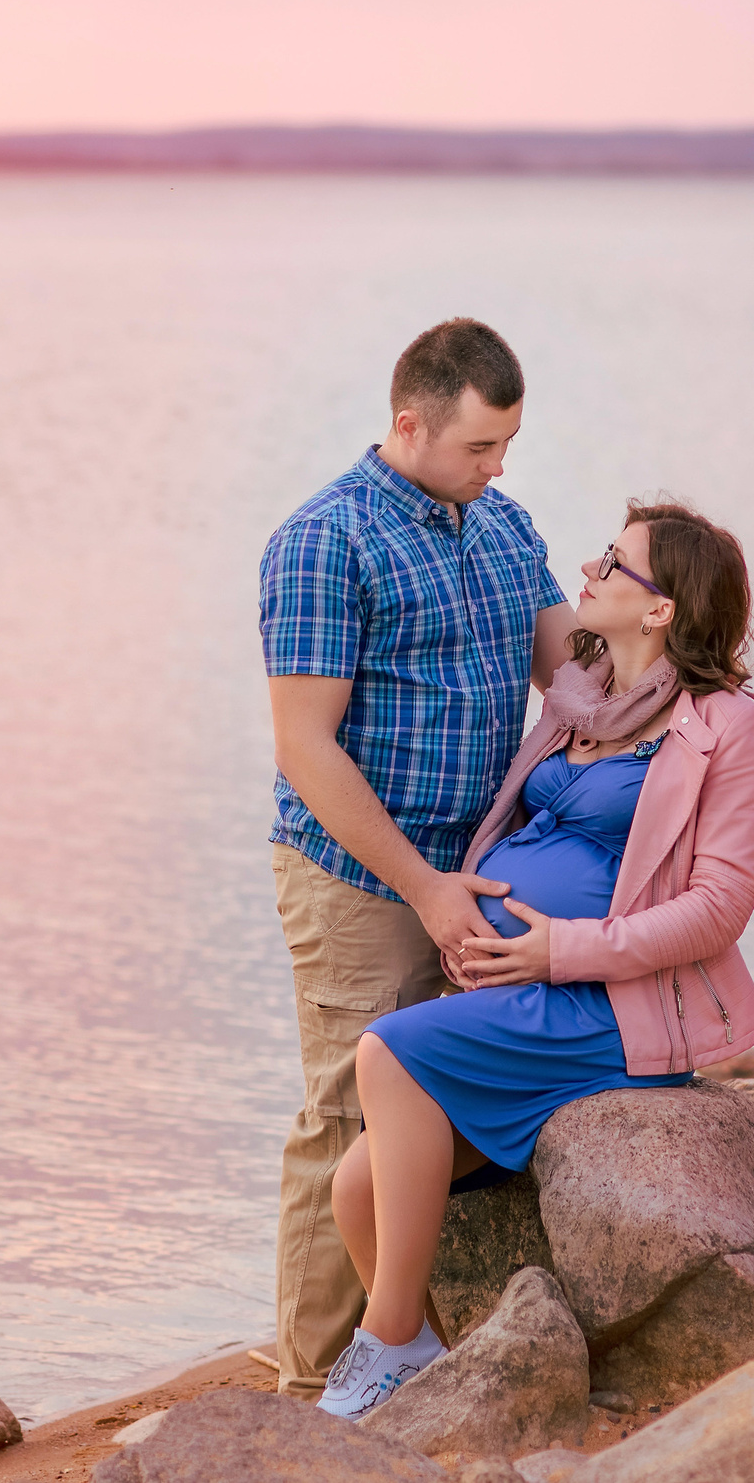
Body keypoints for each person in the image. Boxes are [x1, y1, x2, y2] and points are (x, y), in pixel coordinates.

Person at [314, 500, 754, 1420]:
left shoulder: (730, 727)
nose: (592, 568)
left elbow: (718, 909)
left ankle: (385, 1344)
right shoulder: (579, 702)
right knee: (353, 1185)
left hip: (612, 1005)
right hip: (526, 987)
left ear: (661, 610)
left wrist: (555, 949)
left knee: (385, 1052)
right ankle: (440, 1371)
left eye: (617, 563)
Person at [257, 318, 578, 1397]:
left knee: (452, 1103)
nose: (499, 468)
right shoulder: (325, 540)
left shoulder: (501, 522)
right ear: (410, 424)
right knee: (350, 1111)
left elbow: (574, 682)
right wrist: (424, 887)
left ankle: (421, 1338)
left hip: (481, 868)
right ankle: (313, 1380)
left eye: (509, 444)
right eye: (481, 446)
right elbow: (304, 749)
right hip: (360, 877)